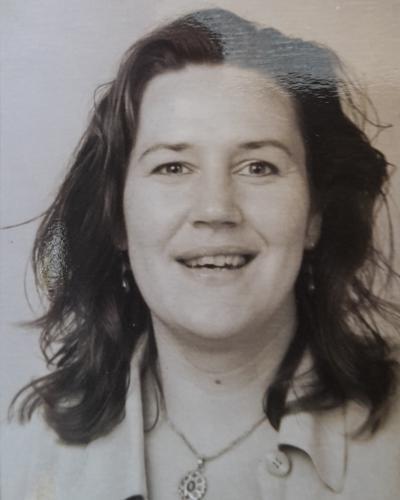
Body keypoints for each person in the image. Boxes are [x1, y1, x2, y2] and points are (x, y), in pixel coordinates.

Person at [3, 7, 400, 500]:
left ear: (315, 214)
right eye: (172, 167)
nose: (216, 209)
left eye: (258, 167)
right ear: (118, 218)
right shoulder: (23, 454)